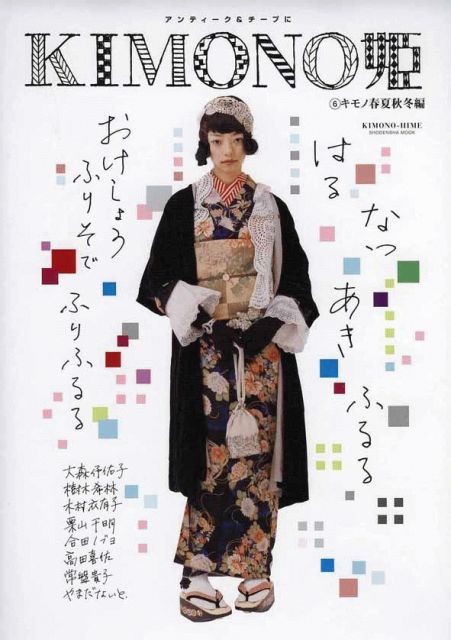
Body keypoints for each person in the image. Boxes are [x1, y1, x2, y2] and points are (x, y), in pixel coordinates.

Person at [137, 95, 320, 621]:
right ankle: (196, 578)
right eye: (217, 141)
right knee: (209, 460)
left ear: (248, 143)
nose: (227, 151)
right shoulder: (183, 206)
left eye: (236, 140)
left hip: (262, 356)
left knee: (258, 458)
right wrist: (202, 318)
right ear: (205, 145)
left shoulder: (271, 207)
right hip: (206, 354)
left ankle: (255, 572)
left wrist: (269, 324)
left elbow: (298, 280)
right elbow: (156, 281)